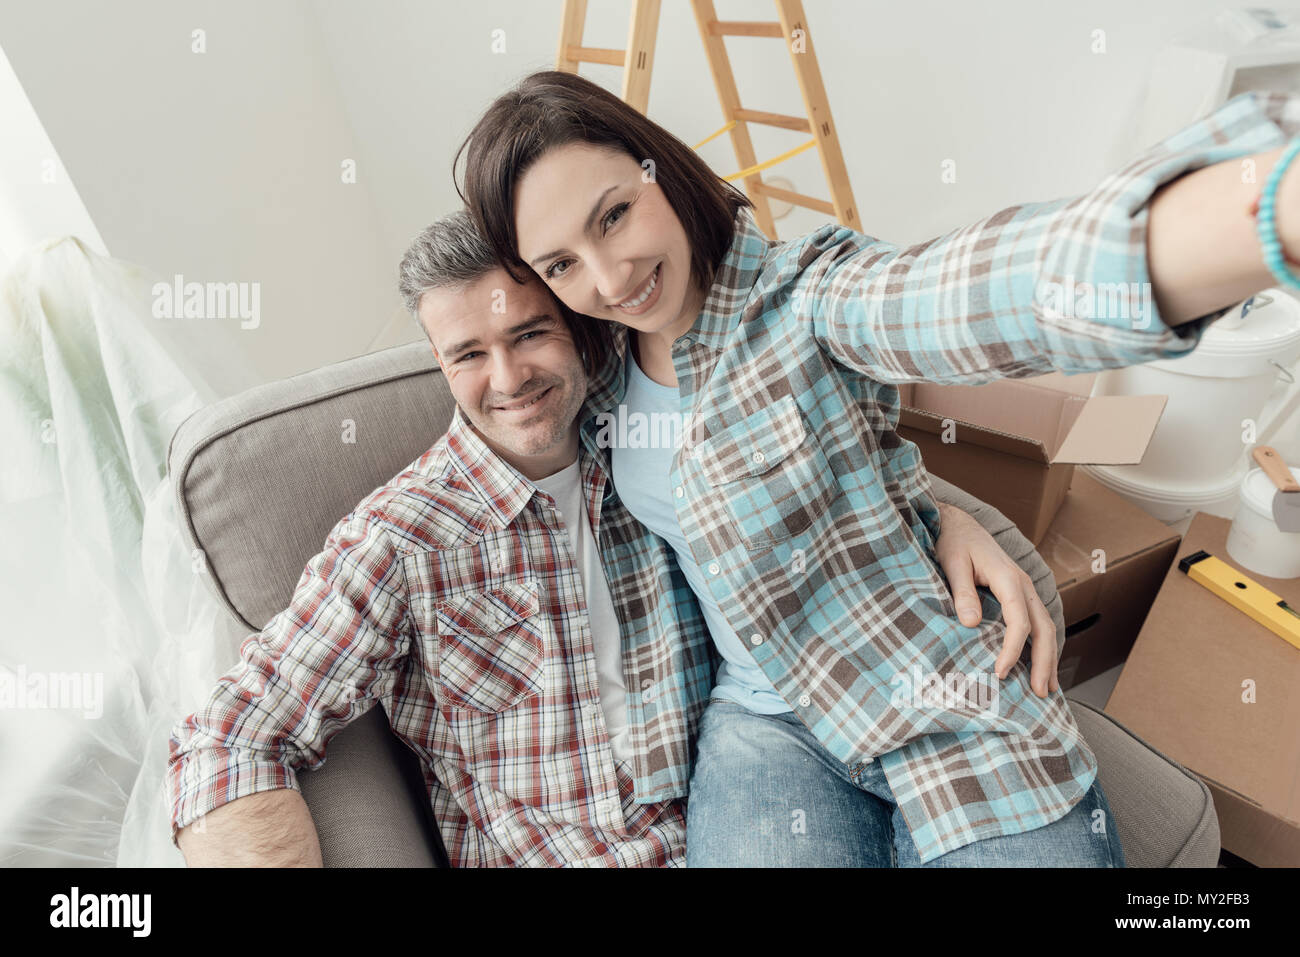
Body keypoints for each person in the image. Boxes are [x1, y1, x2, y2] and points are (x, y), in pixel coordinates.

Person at [458, 70, 1300, 866]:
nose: (609, 279)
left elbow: (976, 290)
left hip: (938, 687)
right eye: (561, 264)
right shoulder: (589, 379)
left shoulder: (809, 297)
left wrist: (1267, 212)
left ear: (661, 170)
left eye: (613, 216)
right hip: (761, 732)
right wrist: (932, 502)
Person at [165, 208, 1019, 867]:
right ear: (438, 360)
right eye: (468, 353)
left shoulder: (655, 451)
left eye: (529, 332)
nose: (508, 380)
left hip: (744, 819)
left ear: (577, 320)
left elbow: (825, 468)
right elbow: (228, 740)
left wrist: (941, 517)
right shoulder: (401, 538)